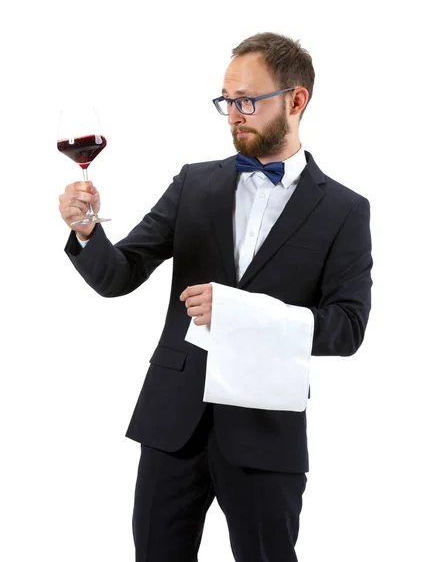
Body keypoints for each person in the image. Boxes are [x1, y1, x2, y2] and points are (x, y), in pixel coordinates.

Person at [59, 32, 373, 562]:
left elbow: (348, 328)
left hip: (264, 432)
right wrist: (88, 232)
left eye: (247, 100)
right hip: (172, 421)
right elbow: (120, 275)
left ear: (296, 101)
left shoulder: (345, 209)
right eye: (226, 100)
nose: (234, 114)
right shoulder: (195, 183)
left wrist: (241, 314)